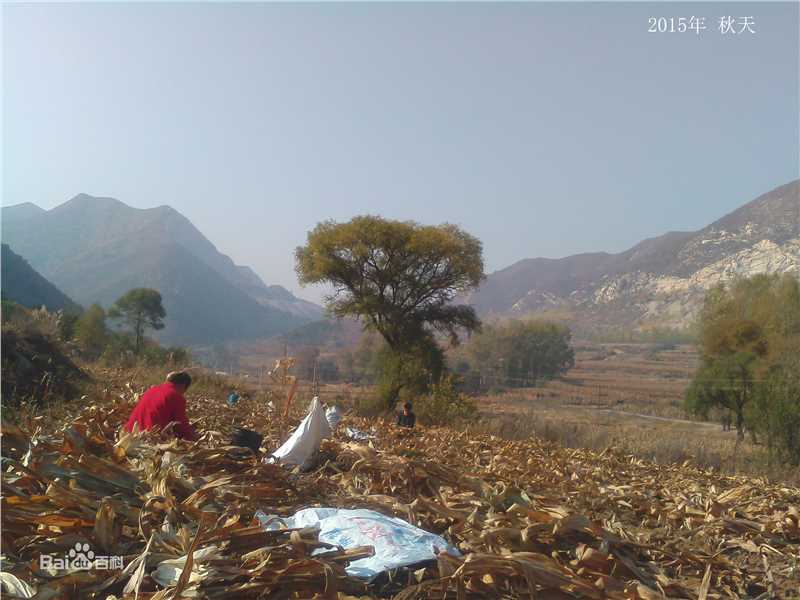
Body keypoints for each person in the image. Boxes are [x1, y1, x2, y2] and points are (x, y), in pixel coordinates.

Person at [125, 371, 197, 440]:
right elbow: (181, 425)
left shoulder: (152, 390)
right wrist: (194, 438)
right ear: (183, 385)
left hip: (128, 435)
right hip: (149, 439)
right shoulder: (176, 396)